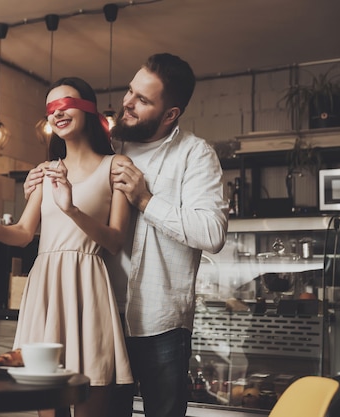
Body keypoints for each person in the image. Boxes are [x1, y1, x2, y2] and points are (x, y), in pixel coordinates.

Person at [23, 53, 229, 417]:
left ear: (171, 114)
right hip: (99, 314)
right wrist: (38, 186)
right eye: (130, 92)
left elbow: (212, 233)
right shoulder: (107, 148)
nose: (128, 104)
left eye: (143, 100)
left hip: (160, 323)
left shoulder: (195, 155)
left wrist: (146, 200)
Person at [0, 77, 134, 417]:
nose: (58, 112)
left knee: (90, 391)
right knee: (45, 403)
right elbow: (25, 233)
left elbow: (114, 241)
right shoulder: (45, 172)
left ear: (88, 109)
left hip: (88, 287)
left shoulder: (116, 167)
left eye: (66, 103)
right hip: (46, 288)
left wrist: (71, 209)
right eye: (51, 109)